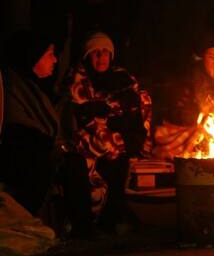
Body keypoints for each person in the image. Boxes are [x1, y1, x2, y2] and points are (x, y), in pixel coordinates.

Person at [0, 30, 93, 237]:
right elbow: (15, 124)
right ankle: (25, 225)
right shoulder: (12, 85)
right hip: (17, 154)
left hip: (35, 148)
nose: (55, 59)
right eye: (49, 54)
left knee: (74, 161)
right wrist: (49, 145)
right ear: (33, 57)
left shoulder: (34, 86)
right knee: (50, 164)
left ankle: (83, 229)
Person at [67, 31, 152, 232]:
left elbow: (138, 105)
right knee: (112, 156)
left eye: (105, 52)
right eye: (96, 53)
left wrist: (132, 132)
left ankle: (114, 216)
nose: (102, 57)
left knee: (123, 157)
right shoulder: (79, 80)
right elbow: (86, 115)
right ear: (88, 56)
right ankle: (103, 219)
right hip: (95, 139)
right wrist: (111, 117)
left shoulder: (122, 77)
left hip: (123, 136)